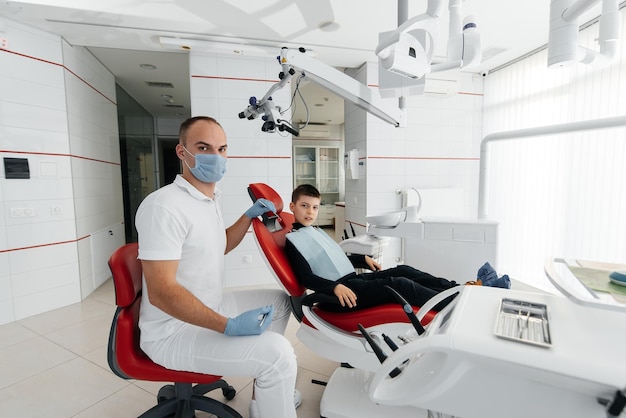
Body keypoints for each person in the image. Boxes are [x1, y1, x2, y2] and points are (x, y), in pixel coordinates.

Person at [135, 116, 298, 418]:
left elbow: (218, 245)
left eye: (222, 149)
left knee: (279, 301)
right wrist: (229, 326)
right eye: (204, 147)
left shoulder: (207, 199)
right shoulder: (164, 207)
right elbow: (160, 293)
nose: (216, 157)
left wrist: (247, 217)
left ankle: (267, 392)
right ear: (182, 152)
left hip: (209, 304)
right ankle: (272, 378)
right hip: (173, 333)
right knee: (279, 356)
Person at [284, 184, 510, 312]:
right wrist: (334, 288)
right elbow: (306, 278)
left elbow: (332, 258)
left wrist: (363, 261)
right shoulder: (294, 241)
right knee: (399, 284)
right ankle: (456, 304)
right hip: (343, 295)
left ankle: (459, 289)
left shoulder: (315, 232)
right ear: (293, 206)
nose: (310, 212)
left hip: (352, 282)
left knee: (404, 270)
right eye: (304, 206)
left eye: (314, 207)